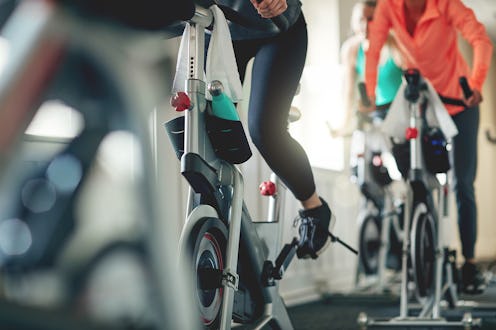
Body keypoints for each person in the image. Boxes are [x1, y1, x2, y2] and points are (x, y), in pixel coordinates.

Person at [362, 0, 493, 294]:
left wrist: (476, 83)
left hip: (460, 103)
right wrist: (369, 92)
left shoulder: (445, 5)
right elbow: (374, 48)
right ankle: (425, 243)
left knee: (462, 182)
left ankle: (469, 263)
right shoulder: (388, 7)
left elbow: (480, 38)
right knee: (416, 175)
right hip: (422, 102)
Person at [213, 0, 332, 259]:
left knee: (265, 129)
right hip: (220, 24)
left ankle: (314, 209)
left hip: (279, 27)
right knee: (210, 127)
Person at [335, 0, 403, 137]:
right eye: (361, 20)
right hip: (371, 112)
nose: (365, 26)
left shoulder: (394, 44)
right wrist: (345, 123)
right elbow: (349, 91)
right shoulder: (351, 49)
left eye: (372, 19)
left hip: (398, 112)